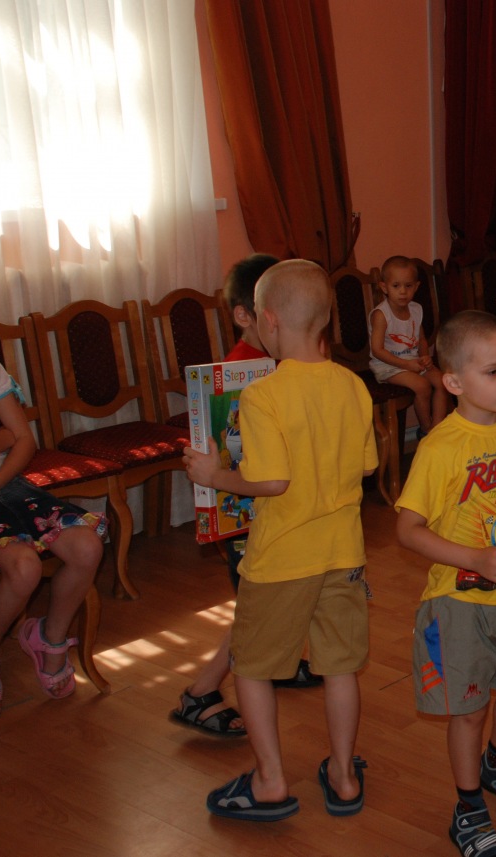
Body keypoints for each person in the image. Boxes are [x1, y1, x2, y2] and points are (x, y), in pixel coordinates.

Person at [186, 259, 378, 821]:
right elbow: (367, 466)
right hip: (344, 553)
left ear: (267, 320)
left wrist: (214, 474)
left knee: (251, 667)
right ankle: (343, 776)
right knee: (339, 668)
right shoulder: (353, 385)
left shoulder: (263, 395)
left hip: (280, 560)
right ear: (325, 320)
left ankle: (270, 781)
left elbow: (271, 481)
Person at [395, 310, 496, 857]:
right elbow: (408, 530)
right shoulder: (440, 447)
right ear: (454, 382)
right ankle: (468, 808)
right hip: (459, 602)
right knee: (468, 710)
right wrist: (474, 557)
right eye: (493, 371)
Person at [171, 253, 323, 740]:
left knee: (275, 604)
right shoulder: (241, 374)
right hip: (251, 514)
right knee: (257, 611)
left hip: (282, 511)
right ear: (247, 315)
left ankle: (277, 663)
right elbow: (234, 451)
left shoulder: (284, 365)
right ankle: (200, 692)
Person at [0, 358, 106, 716]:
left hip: (5, 483)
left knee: (87, 547)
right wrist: (3, 437)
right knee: (24, 569)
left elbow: (24, 439)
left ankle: (50, 638)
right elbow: (10, 434)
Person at [369, 254, 448, 435]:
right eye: (396, 286)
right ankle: (426, 430)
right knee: (422, 386)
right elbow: (377, 350)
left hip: (413, 361)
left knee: (443, 382)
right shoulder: (381, 315)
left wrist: (425, 356)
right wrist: (406, 364)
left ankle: (437, 429)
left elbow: (421, 339)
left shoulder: (416, 309)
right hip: (388, 366)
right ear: (384, 287)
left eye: (408, 286)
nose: (403, 291)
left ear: (416, 286)